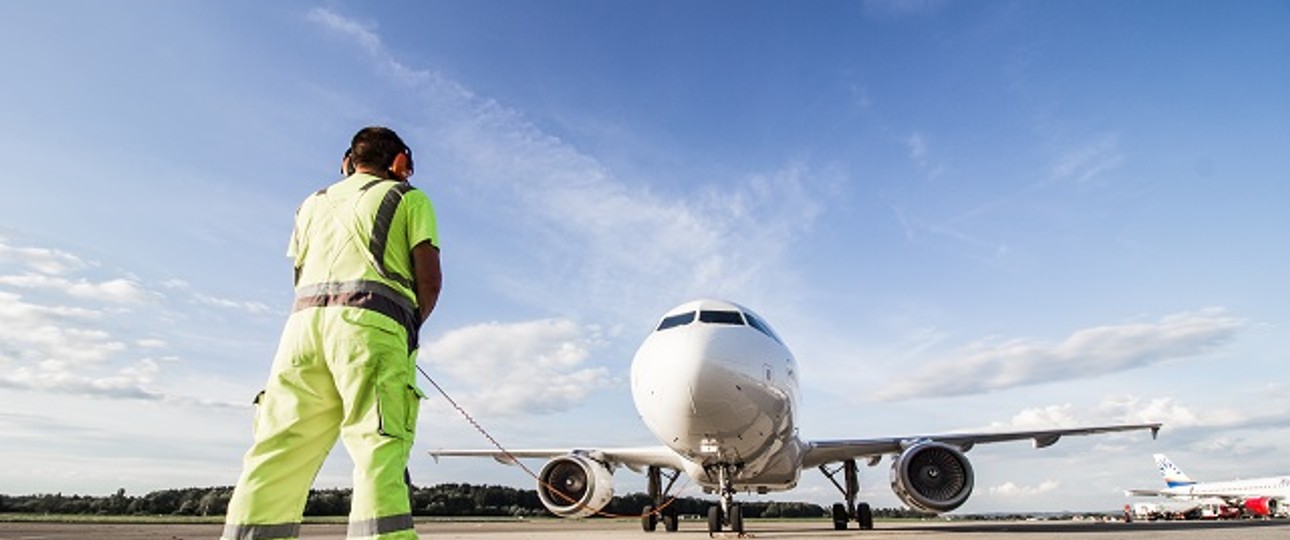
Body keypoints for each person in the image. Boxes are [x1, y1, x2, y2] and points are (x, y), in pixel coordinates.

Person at [223, 126, 442, 540]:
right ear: (399, 163)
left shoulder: (310, 204)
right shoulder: (408, 197)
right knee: (378, 447)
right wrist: (405, 330)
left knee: (277, 449)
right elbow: (429, 282)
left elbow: (300, 270)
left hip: (300, 331)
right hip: (370, 330)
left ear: (347, 163)